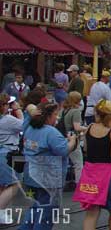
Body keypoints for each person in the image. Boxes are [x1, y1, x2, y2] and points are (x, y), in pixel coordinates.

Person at [21, 102, 78, 230]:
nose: (56, 118)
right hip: (48, 179)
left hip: (31, 176)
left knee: (34, 209)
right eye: (55, 115)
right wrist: (73, 141)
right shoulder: (51, 132)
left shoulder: (29, 128)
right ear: (48, 116)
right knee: (46, 214)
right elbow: (63, 150)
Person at [77, 99, 111, 230]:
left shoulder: (90, 128)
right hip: (107, 175)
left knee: (91, 212)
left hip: (90, 174)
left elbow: (85, 148)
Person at [0, 94, 23, 224]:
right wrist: (18, 109)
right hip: (8, 152)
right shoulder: (7, 119)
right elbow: (23, 126)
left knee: (3, 185)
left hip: (3, 151)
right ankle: (1, 211)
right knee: (15, 184)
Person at [61, 91, 86, 181]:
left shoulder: (64, 110)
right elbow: (77, 127)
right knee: (78, 163)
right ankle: (79, 183)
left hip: (64, 136)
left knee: (64, 161)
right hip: (73, 137)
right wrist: (87, 128)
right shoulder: (76, 111)